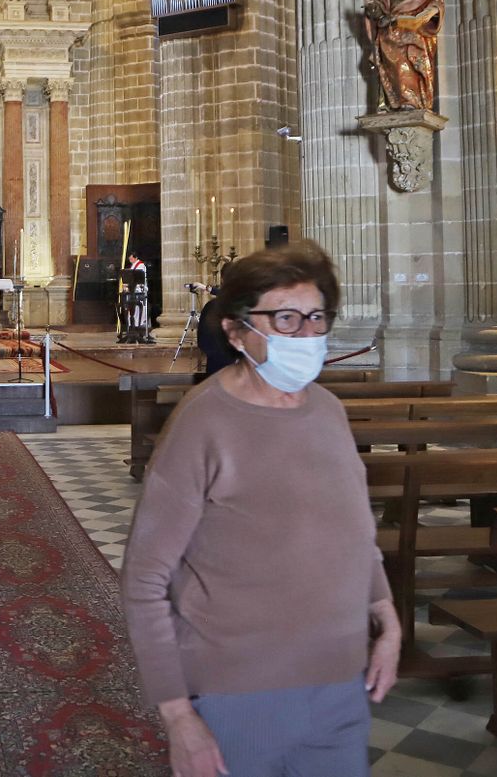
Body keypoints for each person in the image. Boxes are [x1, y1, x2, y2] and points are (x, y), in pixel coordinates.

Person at [121, 241, 401, 777]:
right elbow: (144, 579)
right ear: (235, 330)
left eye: (317, 318)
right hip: (238, 691)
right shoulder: (203, 423)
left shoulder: (328, 411)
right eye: (286, 319)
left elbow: (353, 534)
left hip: (340, 685)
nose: (307, 335)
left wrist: (386, 619)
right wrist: (178, 716)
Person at [362, 0, 445, 112]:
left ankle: (412, 100)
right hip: (391, 29)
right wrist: (371, 5)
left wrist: (429, 12)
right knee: (389, 52)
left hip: (415, 28)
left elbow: (437, 0)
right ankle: (393, 101)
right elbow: (380, 9)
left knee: (409, 55)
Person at [119, 250, 154, 345]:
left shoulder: (141, 266)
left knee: (139, 311)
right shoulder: (133, 265)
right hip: (132, 290)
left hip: (139, 290)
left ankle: (139, 329)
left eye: (131, 258)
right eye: (129, 259)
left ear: (135, 257)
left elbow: (140, 278)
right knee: (130, 310)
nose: (130, 260)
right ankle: (131, 328)